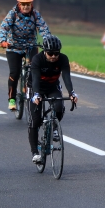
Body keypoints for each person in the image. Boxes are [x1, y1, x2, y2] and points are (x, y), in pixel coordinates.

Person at [28, 35, 78, 164]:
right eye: (50, 53)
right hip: (36, 86)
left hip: (52, 86)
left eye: (56, 53)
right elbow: (35, 79)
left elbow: (66, 77)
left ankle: (54, 126)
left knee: (58, 107)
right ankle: (35, 153)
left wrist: (72, 93)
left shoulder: (63, 59)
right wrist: (36, 95)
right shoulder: (37, 59)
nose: (53, 56)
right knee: (35, 120)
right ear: (44, 51)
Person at [0, 0, 50, 111]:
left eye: (28, 4)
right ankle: (12, 99)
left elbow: (43, 29)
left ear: (32, 4)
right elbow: (3, 28)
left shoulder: (35, 15)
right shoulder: (12, 14)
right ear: (19, 4)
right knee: (15, 73)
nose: (26, 6)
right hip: (13, 47)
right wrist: (3, 40)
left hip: (30, 46)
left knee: (33, 69)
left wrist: (47, 41)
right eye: (23, 4)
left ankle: (30, 88)